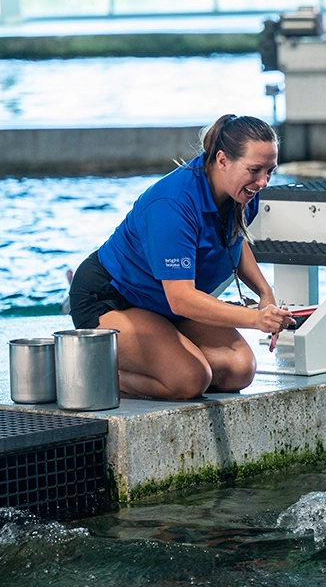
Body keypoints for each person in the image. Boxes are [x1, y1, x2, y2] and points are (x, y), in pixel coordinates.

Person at [67, 114, 294, 400]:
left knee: (239, 369)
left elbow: (234, 239)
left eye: (270, 171)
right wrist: (256, 319)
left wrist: (265, 292)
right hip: (111, 299)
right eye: (255, 169)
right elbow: (181, 298)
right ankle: (85, 370)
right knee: (189, 379)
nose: (263, 181)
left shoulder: (242, 191)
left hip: (161, 305)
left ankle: (163, 354)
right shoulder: (173, 204)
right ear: (222, 160)